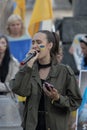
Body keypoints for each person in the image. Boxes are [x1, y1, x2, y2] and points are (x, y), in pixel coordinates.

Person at [10, 30, 82, 130]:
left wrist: (58, 98)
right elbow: (19, 90)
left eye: (39, 42)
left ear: (49, 45)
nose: (35, 46)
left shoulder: (64, 71)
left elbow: (75, 102)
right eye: (33, 42)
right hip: (33, 126)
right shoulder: (29, 70)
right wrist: (28, 66)